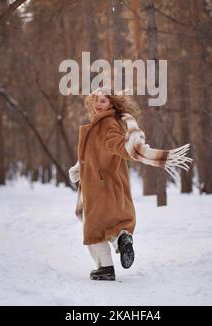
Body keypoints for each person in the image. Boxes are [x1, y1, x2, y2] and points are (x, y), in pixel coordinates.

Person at [69, 87, 140, 281]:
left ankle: (106, 267)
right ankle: (121, 239)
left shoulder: (108, 124)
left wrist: (132, 147)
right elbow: (93, 153)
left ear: (112, 105)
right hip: (97, 182)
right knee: (100, 224)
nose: (98, 104)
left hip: (99, 184)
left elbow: (117, 144)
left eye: (103, 101)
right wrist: (79, 167)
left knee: (93, 227)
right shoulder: (98, 124)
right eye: (97, 100)